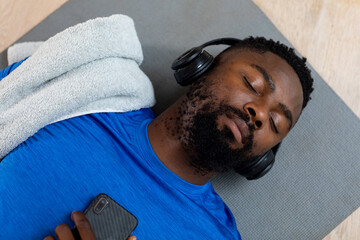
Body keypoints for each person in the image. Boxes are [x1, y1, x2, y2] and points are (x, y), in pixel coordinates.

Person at [0, 37, 313, 239]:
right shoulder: (82, 97)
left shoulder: (214, 235)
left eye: (274, 122)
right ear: (200, 69)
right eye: (252, 82)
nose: (258, 113)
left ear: (260, 159)